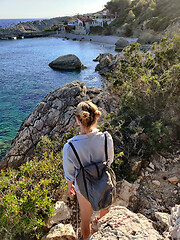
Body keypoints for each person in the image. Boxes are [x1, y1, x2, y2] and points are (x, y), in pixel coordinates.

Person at [63, 101, 114, 240]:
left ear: (78, 120)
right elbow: (110, 160)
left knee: (85, 218)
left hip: (83, 185)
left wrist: (70, 187)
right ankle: (105, 234)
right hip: (104, 180)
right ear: (95, 118)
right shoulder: (106, 138)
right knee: (105, 210)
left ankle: (87, 238)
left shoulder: (70, 146)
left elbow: (69, 174)